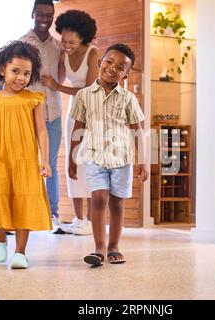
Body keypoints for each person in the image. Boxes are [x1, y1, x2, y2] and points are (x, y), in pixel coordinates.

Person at [67, 44, 148, 266]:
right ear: (99, 62)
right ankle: (99, 248)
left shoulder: (128, 98)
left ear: (126, 74)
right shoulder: (84, 95)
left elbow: (137, 130)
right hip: (94, 157)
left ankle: (114, 247)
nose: (113, 68)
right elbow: (78, 128)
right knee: (99, 198)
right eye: (109, 61)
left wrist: (143, 162)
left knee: (117, 204)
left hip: (121, 159)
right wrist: (71, 159)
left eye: (120, 67)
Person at [0, 41, 52, 269]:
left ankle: (20, 252)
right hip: (0, 161)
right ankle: (0, 238)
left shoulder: (34, 99)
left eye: (26, 73)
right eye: (16, 72)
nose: (21, 78)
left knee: (25, 204)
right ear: (3, 69)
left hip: (27, 162)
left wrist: (45, 160)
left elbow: (41, 130)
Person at [41, 10, 100, 236]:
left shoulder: (92, 53)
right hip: (74, 111)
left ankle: (92, 222)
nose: (66, 45)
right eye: (63, 41)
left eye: (71, 42)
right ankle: (79, 218)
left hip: (92, 110)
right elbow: (58, 77)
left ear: (83, 38)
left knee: (89, 165)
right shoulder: (65, 54)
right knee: (72, 163)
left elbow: (90, 89)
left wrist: (58, 88)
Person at [20, 0, 64, 231]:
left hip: (54, 112)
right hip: (28, 111)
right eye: (40, 14)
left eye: (49, 15)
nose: (44, 19)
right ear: (33, 14)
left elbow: (63, 75)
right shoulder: (22, 43)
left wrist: (56, 84)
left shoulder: (58, 46)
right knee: (26, 163)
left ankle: (53, 214)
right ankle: (24, 215)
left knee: (51, 164)